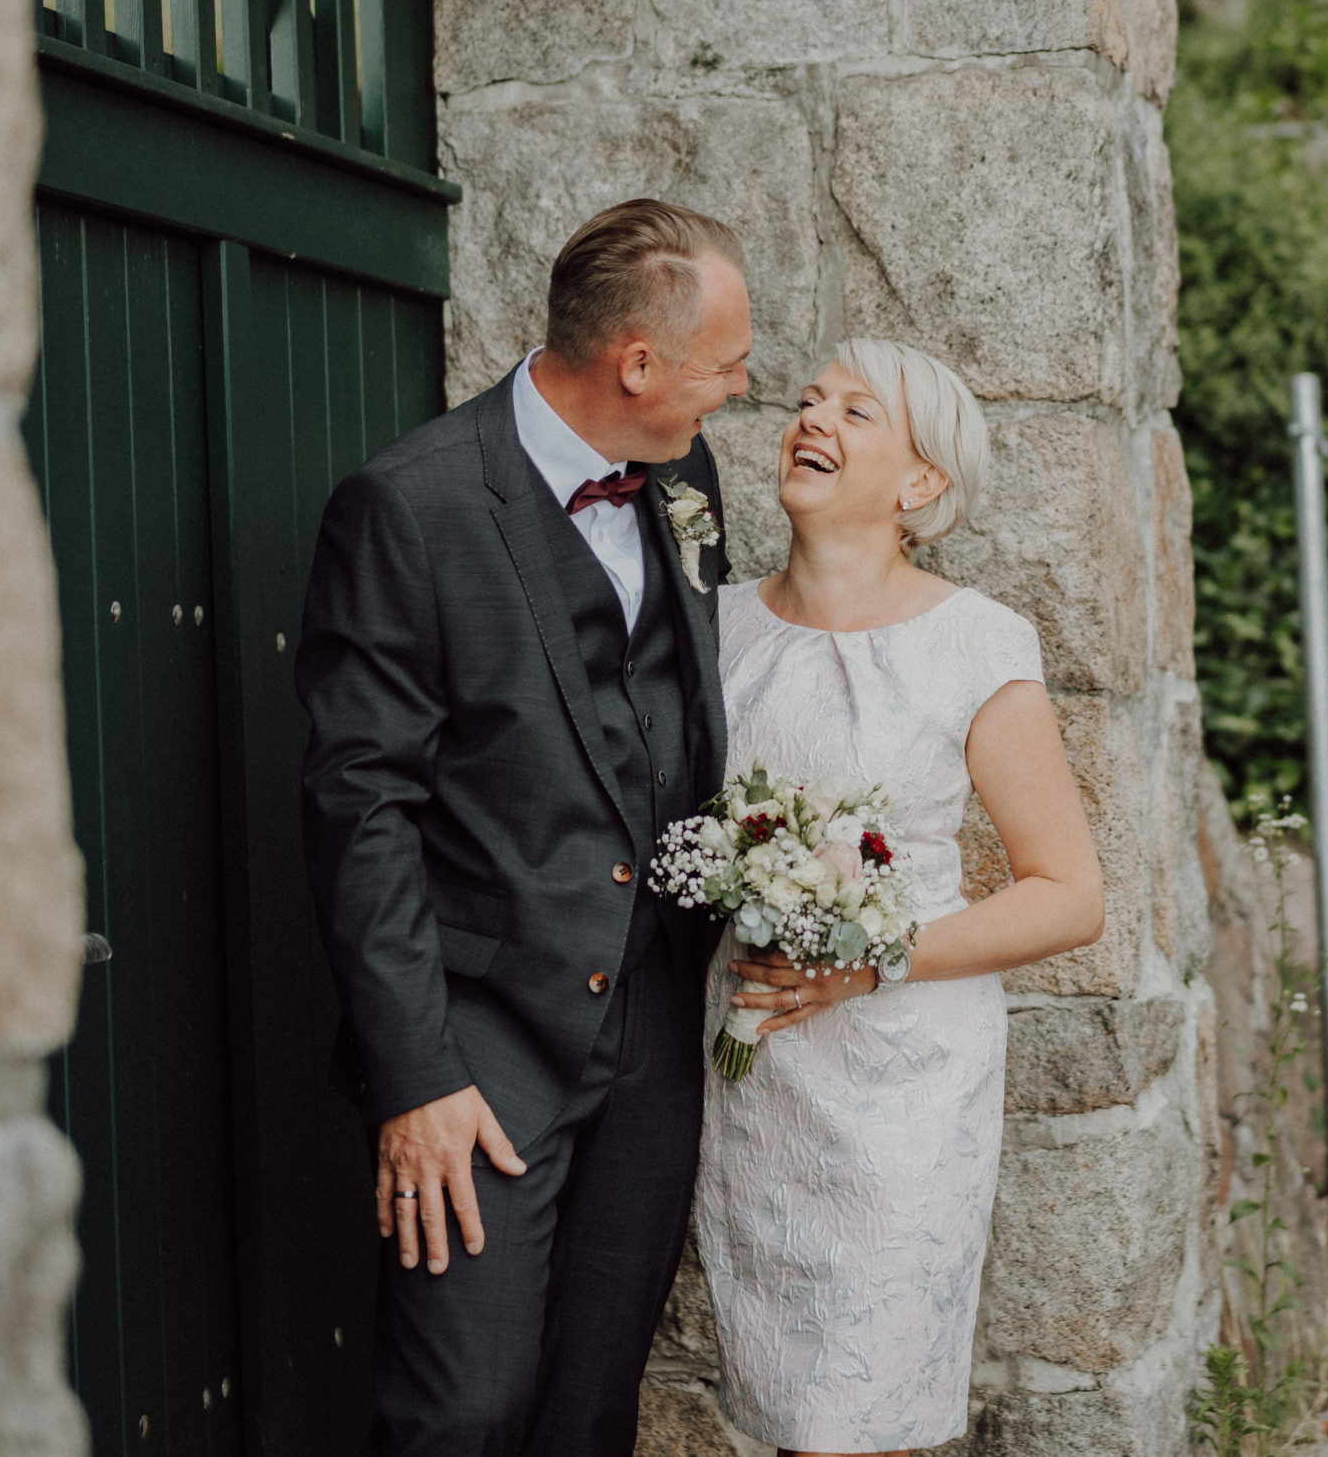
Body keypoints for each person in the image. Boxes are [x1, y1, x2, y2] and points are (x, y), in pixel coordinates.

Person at [296, 197, 751, 1454]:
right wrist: (418, 1076)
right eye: (725, 363)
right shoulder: (409, 507)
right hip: (482, 1043)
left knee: (591, 1405)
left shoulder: (686, 477)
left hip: (651, 1024)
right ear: (638, 364)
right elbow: (359, 804)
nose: (742, 387)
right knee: (464, 1406)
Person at [696, 339, 1106, 1456]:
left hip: (908, 1083)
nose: (812, 419)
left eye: (857, 411)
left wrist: (869, 961)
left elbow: (1068, 895)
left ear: (920, 483)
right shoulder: (712, 632)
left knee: (865, 1415)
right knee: (790, 1417)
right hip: (759, 1070)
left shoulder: (974, 644)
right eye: (809, 401)